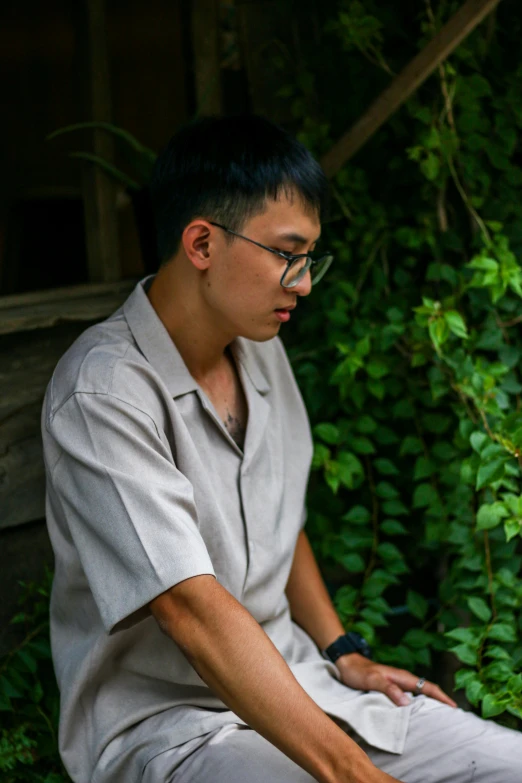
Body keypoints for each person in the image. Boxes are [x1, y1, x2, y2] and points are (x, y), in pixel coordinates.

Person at [41, 115, 522, 783]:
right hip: (175, 733)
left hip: (308, 689)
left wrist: (343, 648)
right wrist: (356, 775)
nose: (304, 282)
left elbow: (276, 519)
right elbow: (191, 609)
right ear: (202, 242)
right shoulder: (103, 392)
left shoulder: (258, 346)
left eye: (310, 256)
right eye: (287, 254)